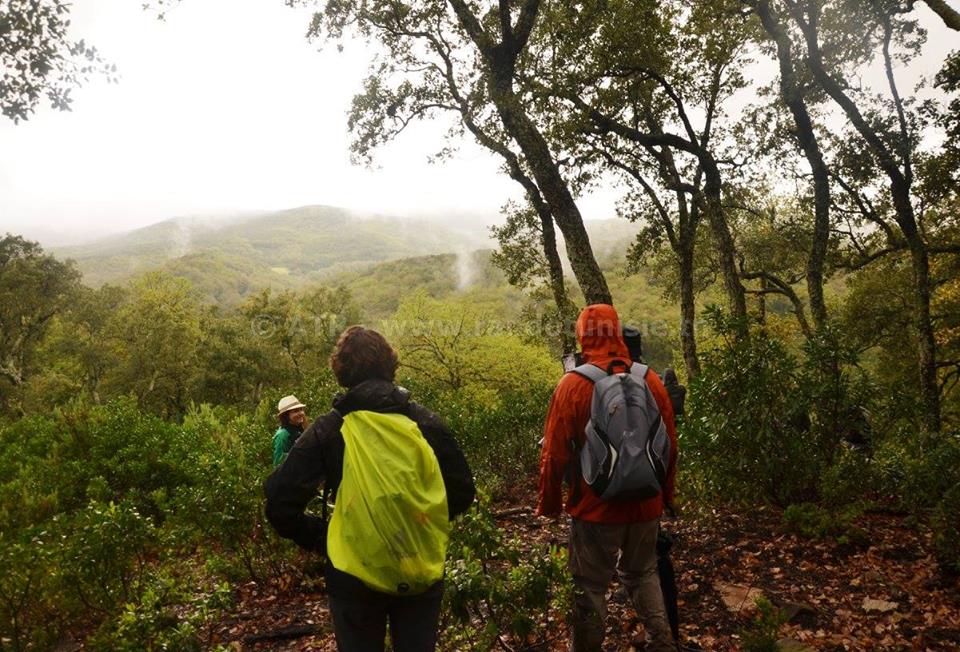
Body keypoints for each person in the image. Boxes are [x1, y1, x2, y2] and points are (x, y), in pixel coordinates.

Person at [265, 326, 476, 652]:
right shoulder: (426, 422)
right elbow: (462, 491)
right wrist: (417, 522)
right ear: (390, 365)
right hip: (419, 566)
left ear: (342, 371)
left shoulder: (328, 429)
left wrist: (325, 537)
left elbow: (279, 503)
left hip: (352, 576)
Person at [537, 304, 679, 652]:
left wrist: (551, 503)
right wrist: (666, 496)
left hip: (594, 508)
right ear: (616, 330)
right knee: (643, 572)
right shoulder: (650, 379)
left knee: (589, 587)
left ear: (583, 334)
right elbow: (670, 445)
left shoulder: (572, 385)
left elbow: (554, 452)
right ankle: (663, 643)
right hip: (646, 503)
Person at [272, 395, 309, 467]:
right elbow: (279, 464)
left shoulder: (300, 429)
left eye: (301, 409)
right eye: (295, 411)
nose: (301, 413)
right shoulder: (283, 435)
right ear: (286, 415)